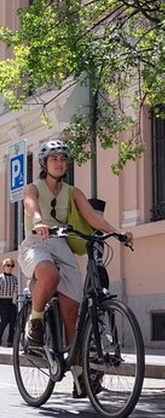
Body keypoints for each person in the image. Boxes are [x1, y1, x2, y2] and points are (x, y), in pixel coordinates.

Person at [20, 140, 133, 395]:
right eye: (54, 159)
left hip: (63, 247)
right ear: (44, 164)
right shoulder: (32, 188)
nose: (59, 163)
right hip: (37, 243)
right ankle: (35, 321)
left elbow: (93, 218)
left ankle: (80, 376)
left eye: (63, 159)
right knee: (49, 274)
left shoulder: (72, 192)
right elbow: (31, 205)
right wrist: (38, 221)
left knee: (73, 312)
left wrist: (118, 233)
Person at [0, 258, 18, 347]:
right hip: (2, 300)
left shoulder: (15, 278)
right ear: (4, 266)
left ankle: (10, 341)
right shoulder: (0, 277)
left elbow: (17, 289)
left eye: (12, 266)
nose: (10, 267)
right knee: (5, 320)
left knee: (13, 321)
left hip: (12, 301)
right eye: (8, 265)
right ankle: (0, 335)